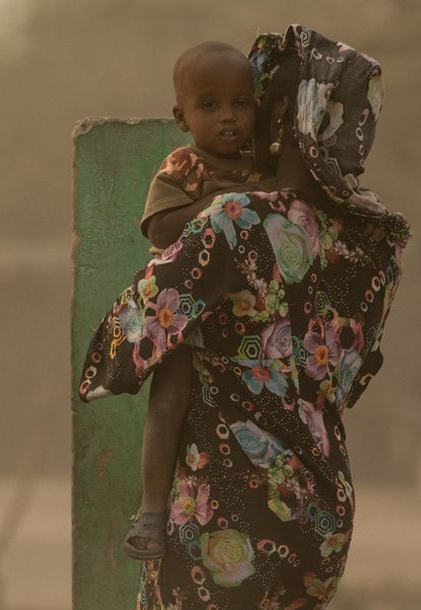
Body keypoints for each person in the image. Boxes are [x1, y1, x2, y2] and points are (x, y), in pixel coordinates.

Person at [78, 24, 407, 610]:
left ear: (278, 117)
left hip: (222, 511)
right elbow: (346, 376)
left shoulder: (228, 224)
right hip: (320, 511)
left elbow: (122, 349)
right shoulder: (367, 244)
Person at [123, 40, 270, 559]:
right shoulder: (186, 167)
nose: (228, 117)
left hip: (246, 324)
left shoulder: (265, 167)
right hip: (183, 313)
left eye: (240, 102)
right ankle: (152, 511)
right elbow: (161, 227)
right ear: (181, 117)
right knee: (169, 401)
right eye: (209, 105)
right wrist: (219, 208)